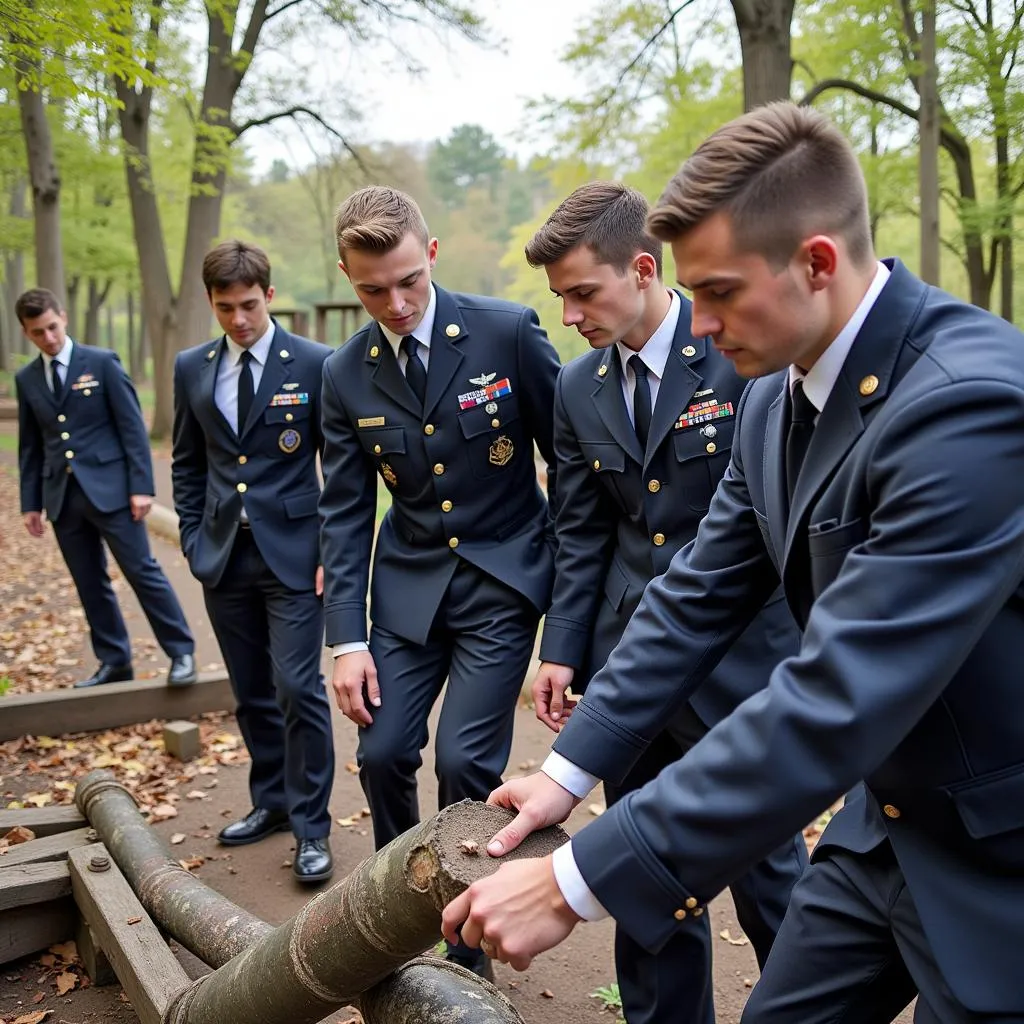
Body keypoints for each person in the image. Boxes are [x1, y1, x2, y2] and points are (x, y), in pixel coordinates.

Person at [442, 102, 1024, 1023]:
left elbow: (840, 691)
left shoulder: (967, 408)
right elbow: (693, 598)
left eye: (717, 292)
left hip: (1001, 857)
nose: (699, 326)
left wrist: (579, 879)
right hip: (889, 830)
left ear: (817, 264)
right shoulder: (771, 400)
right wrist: (566, 775)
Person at [524, 180, 804, 1024]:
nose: (570, 314)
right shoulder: (577, 388)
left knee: (770, 879)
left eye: (582, 292)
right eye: (560, 299)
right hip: (628, 661)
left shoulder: (740, 355)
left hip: (741, 661)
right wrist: (563, 647)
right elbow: (580, 531)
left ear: (643, 269)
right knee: (645, 881)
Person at [319, 185, 560, 976]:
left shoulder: (506, 332)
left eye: (406, 282)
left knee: (463, 763)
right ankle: (401, 906)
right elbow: (346, 514)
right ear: (349, 277)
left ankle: (463, 942)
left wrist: (567, 608)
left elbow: (571, 463)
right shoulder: (344, 373)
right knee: (385, 751)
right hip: (407, 592)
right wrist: (347, 640)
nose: (392, 302)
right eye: (370, 289)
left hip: (502, 583)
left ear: (429, 255)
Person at [171, 240, 336, 884]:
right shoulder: (193, 366)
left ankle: (313, 827)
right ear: (211, 304)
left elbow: (343, 470)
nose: (238, 320)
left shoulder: (315, 363)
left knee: (298, 689)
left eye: (247, 305)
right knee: (252, 694)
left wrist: (331, 551)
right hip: (224, 558)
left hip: (296, 558)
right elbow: (189, 463)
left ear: (269, 295)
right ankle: (270, 800)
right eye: (224, 308)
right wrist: (191, 536)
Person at [14, 288, 196, 690]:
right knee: (89, 582)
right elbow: (31, 446)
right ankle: (115, 662)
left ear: (62, 316)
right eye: (38, 333)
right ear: (27, 334)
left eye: (52, 327)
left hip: (114, 492)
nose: (48, 338)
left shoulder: (100, 362)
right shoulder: (26, 379)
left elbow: (132, 427)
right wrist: (31, 502)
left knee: (142, 571)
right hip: (62, 497)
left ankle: (181, 652)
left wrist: (141, 487)